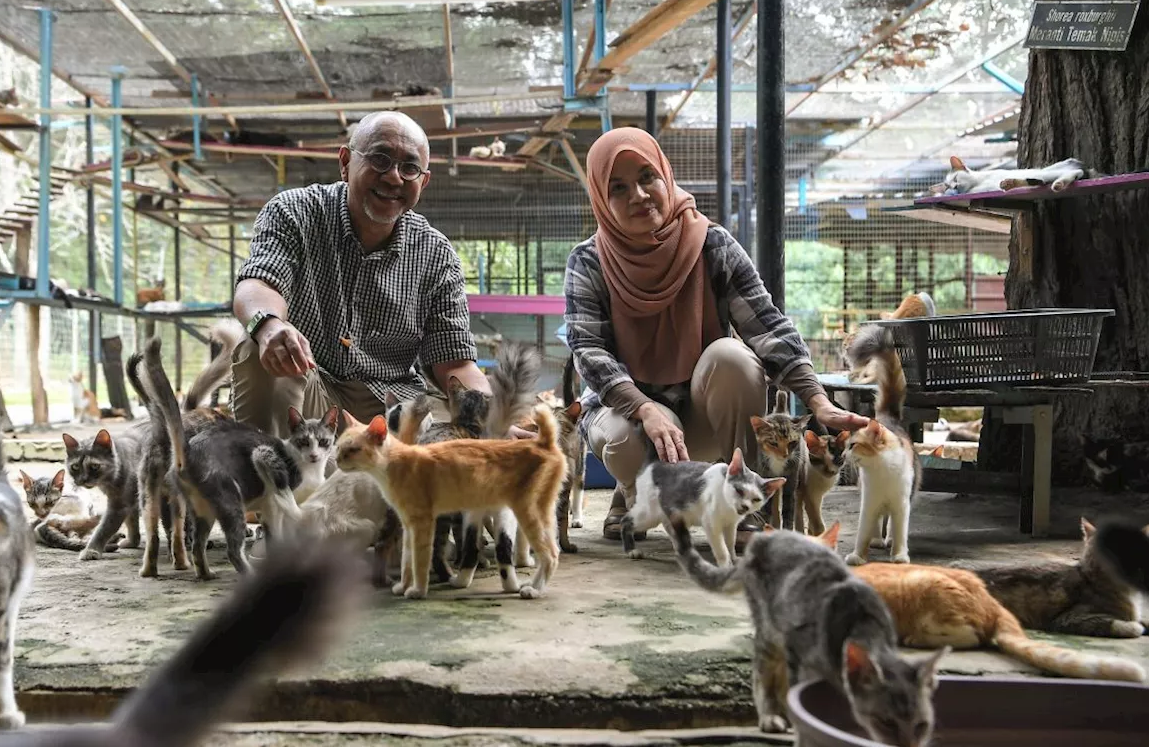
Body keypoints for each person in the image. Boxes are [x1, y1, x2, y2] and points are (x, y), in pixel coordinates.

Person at [564, 127, 869, 540]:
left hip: (701, 413)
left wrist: (818, 400)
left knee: (732, 356)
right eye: (618, 187)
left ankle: (740, 501)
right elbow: (589, 350)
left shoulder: (711, 245)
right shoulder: (588, 262)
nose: (638, 194)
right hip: (629, 417)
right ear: (601, 197)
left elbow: (767, 325)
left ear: (666, 178)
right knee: (629, 437)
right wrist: (646, 408)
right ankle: (632, 492)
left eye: (646, 177)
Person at [229, 111, 491, 434]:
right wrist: (269, 326)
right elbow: (259, 282)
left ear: (423, 182)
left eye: (409, 168)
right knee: (259, 347)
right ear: (345, 162)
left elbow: (456, 362)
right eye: (380, 159)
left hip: (393, 410)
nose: (394, 177)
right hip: (310, 398)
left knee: (471, 436)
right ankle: (271, 478)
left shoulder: (436, 255)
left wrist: (499, 418)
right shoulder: (294, 212)